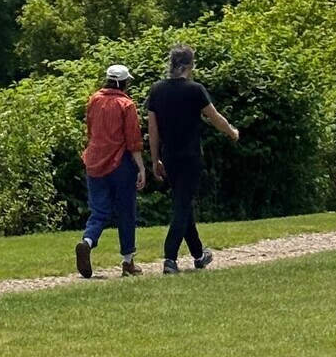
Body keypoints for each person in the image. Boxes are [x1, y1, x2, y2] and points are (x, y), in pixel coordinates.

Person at [146, 42, 239, 274]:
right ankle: (170, 257)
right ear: (190, 65)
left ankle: (198, 255)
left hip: (169, 156)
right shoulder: (195, 90)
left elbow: (153, 129)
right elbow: (214, 117)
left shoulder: (157, 90)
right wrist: (231, 131)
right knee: (182, 205)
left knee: (183, 204)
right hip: (190, 156)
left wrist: (155, 159)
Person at [76, 62, 146, 278]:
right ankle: (127, 261)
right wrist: (142, 167)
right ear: (124, 83)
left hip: (94, 160)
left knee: (99, 210)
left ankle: (87, 241)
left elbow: (89, 130)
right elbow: (133, 140)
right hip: (120, 162)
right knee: (126, 211)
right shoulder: (126, 104)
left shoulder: (94, 100)